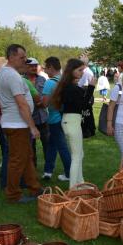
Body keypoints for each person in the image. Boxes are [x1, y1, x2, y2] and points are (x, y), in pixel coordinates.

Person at [0, 44, 43, 203]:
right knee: (17, 161)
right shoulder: (12, 76)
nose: (25, 60)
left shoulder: (5, 72)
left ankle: (34, 187)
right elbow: (22, 104)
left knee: (26, 157)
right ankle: (13, 194)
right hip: (18, 124)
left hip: (15, 123)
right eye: (22, 57)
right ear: (11, 57)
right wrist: (32, 127)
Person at [51, 59, 96, 187]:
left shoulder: (69, 86)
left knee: (79, 155)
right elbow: (84, 105)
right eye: (80, 70)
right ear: (71, 71)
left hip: (71, 121)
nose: (82, 73)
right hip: (71, 122)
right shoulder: (70, 87)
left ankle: (80, 183)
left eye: (83, 70)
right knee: (76, 157)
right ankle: (73, 189)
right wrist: (91, 87)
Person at [41, 57, 71, 182]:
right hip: (65, 116)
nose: (44, 70)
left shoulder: (49, 82)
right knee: (52, 145)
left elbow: (44, 103)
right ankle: (48, 171)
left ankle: (69, 173)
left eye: (46, 68)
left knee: (61, 146)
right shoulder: (65, 80)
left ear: (51, 68)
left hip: (55, 118)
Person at [25, 58, 49, 169]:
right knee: (30, 146)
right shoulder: (21, 80)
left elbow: (46, 96)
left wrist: (43, 103)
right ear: (26, 67)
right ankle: (32, 169)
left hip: (43, 117)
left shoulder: (42, 79)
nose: (34, 68)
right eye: (31, 66)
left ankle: (48, 169)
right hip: (29, 118)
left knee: (47, 144)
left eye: (35, 66)